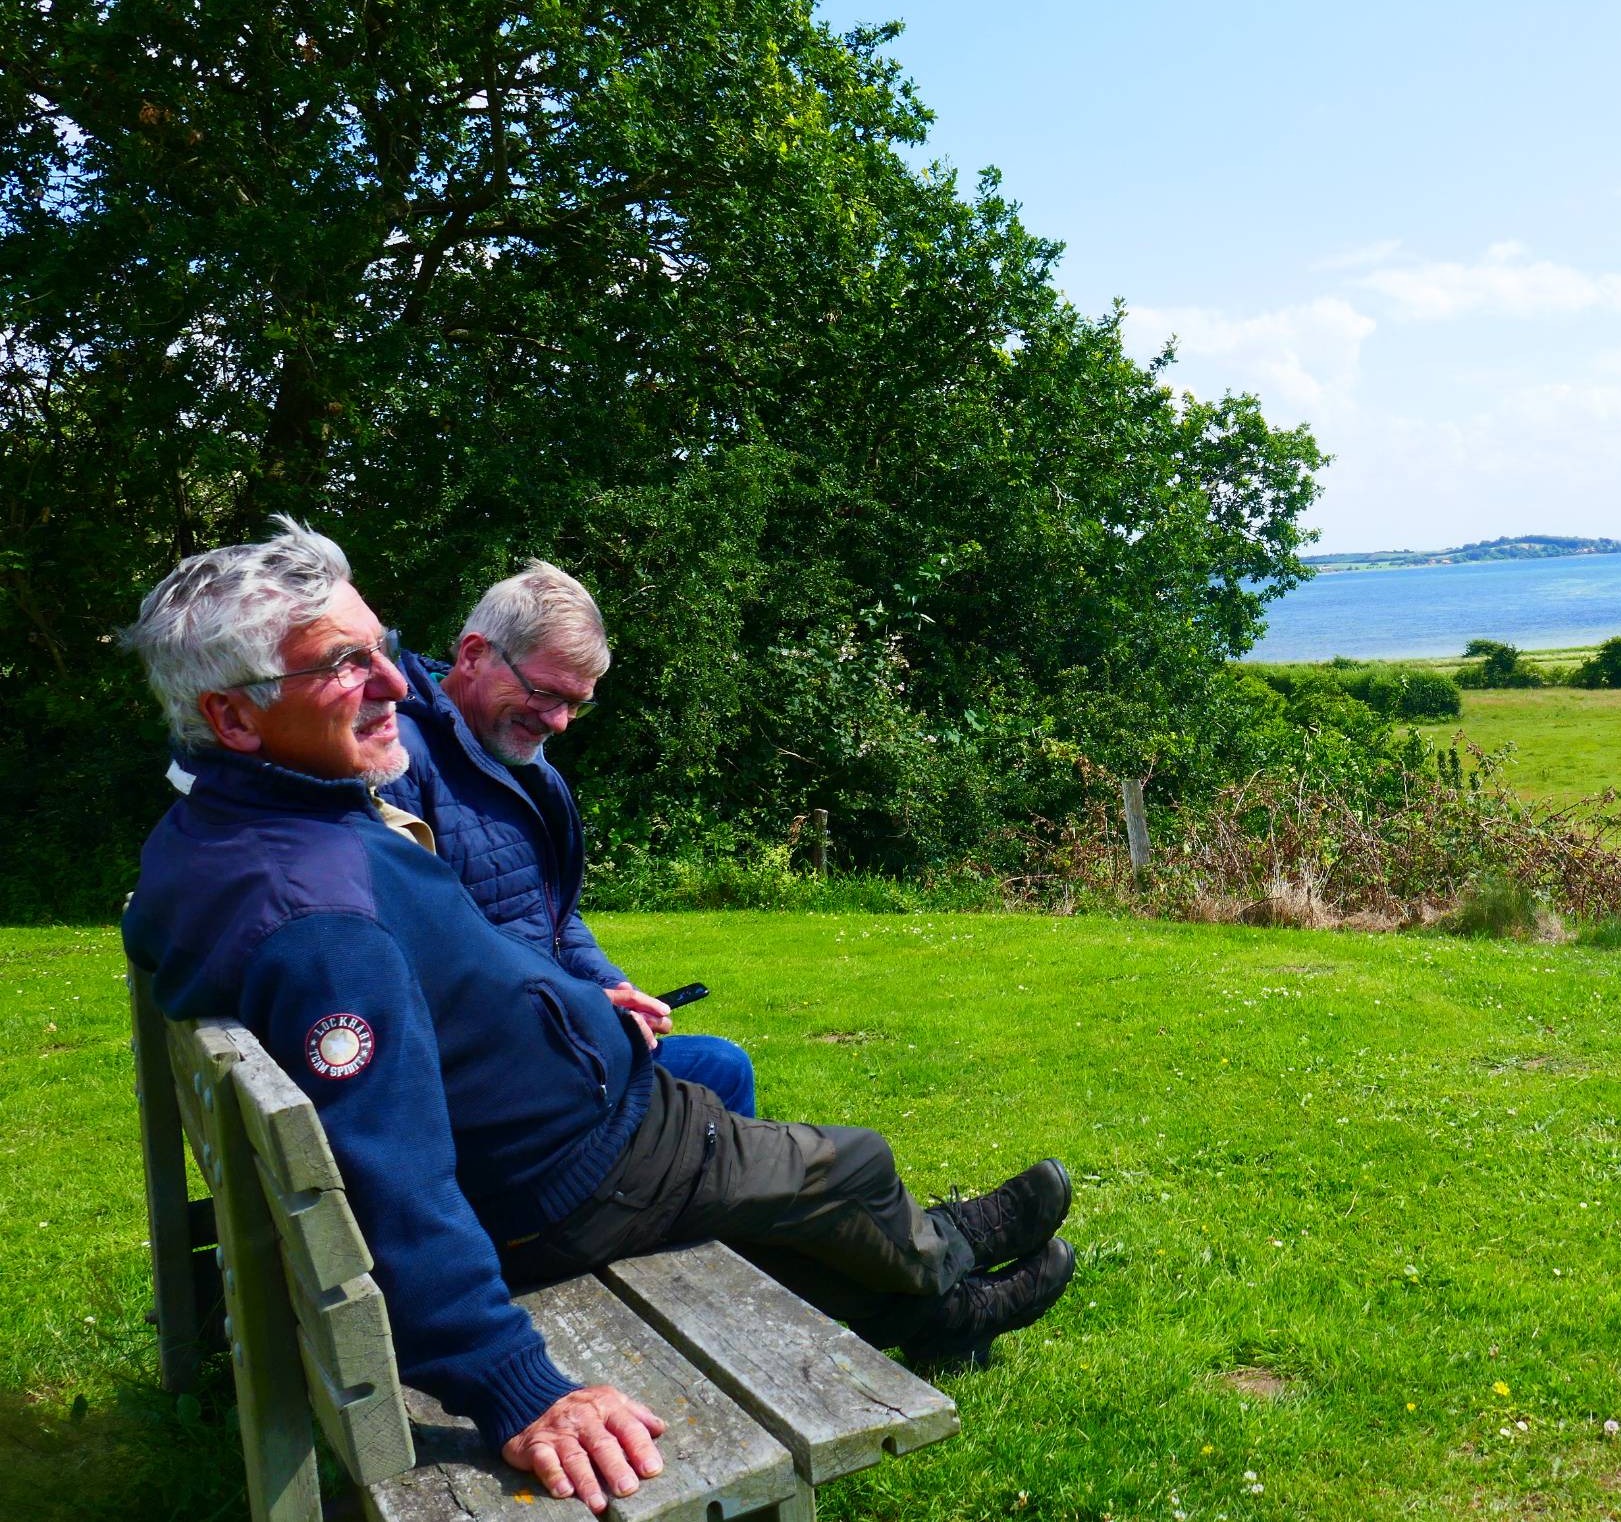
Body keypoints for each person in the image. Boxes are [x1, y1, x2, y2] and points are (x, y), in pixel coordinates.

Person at [120, 520, 1073, 1516]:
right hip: (577, 1169)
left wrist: (584, 999)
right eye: (343, 664)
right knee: (854, 1162)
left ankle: (942, 1278)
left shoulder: (245, 827)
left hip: (555, 1137)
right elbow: (390, 1175)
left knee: (776, 1181)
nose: (398, 682)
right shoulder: (319, 917)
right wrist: (512, 1381)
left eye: (381, 646)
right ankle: (947, 1275)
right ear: (233, 718)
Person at [377, 560, 755, 1116]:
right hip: (481, 1078)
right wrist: (578, 1008)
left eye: (577, 704)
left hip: (537, 1038)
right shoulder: (398, 759)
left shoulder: (525, 765)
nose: (559, 723)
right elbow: (417, 959)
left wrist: (612, 989)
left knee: (715, 1070)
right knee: (719, 1071)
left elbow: (556, 917)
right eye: (545, 694)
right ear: (474, 654)